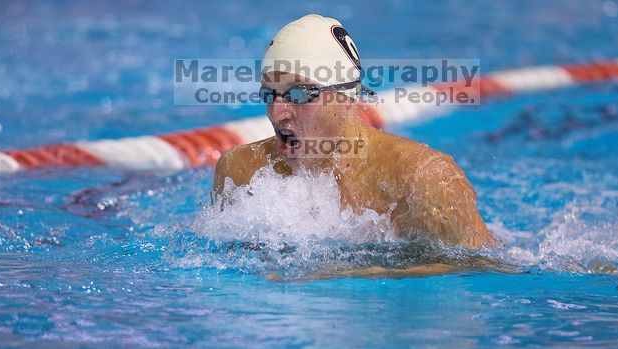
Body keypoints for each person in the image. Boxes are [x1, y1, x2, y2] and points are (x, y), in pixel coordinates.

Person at [213, 14, 497, 254]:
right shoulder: (241, 172)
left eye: (298, 94)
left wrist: (344, 272)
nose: (277, 114)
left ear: (346, 95)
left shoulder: (424, 180)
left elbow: (480, 269)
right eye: (269, 95)